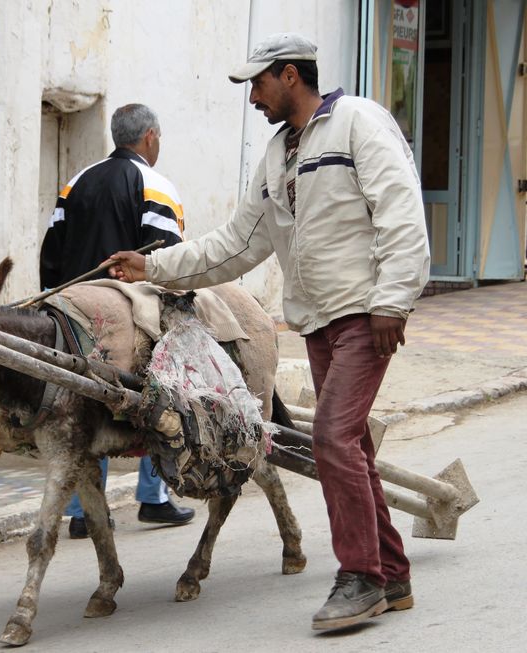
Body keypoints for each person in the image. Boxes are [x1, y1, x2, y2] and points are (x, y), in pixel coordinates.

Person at [108, 34, 429, 631]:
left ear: (289, 75)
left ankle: (360, 579)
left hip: (366, 313)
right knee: (349, 444)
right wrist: (151, 266)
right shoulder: (279, 152)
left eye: (256, 84)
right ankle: (391, 571)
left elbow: (401, 212)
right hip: (319, 321)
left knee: (332, 439)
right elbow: (234, 244)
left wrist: (394, 300)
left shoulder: (358, 122)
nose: (252, 97)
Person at [40, 103, 195, 540]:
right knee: (161, 387)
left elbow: (51, 251)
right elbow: (168, 261)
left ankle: (83, 510)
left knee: (83, 400)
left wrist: (56, 306)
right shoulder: (154, 184)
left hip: (73, 312)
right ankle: (154, 497)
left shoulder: (76, 182)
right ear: (150, 136)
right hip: (130, 316)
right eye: (158, 138)